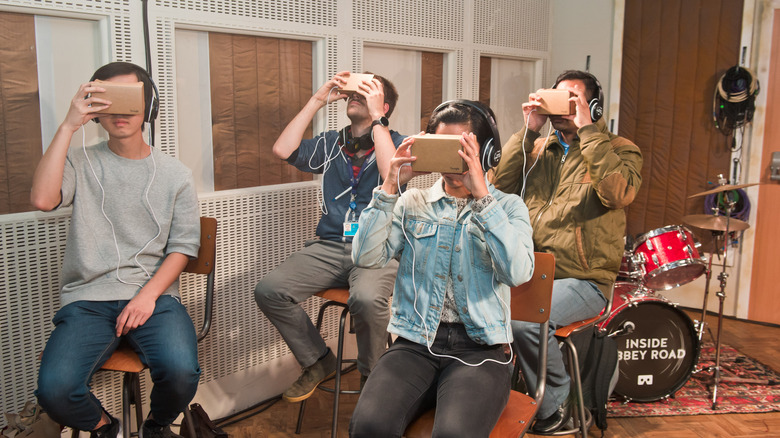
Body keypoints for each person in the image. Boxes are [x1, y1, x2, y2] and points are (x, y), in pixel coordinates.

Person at [31, 62, 202, 438]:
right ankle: (108, 429)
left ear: (149, 105)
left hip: (153, 298)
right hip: (88, 300)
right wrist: (67, 126)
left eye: (130, 100)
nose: (121, 112)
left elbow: (184, 246)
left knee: (181, 373)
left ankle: (155, 426)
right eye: (109, 101)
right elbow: (43, 200)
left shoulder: (175, 175)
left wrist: (146, 298)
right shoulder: (79, 160)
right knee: (55, 391)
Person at [349, 100, 535, 438]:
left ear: (486, 153)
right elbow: (366, 257)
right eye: (443, 148)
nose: (452, 162)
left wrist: (481, 196)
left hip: (481, 349)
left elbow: (518, 273)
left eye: (461, 149)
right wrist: (390, 185)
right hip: (415, 343)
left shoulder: (508, 207)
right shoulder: (412, 203)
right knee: (369, 427)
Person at [491, 70, 643, 434]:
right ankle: (491, 398)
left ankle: (556, 402)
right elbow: (500, 187)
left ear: (591, 105)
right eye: (557, 97)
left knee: (525, 321)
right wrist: (528, 130)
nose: (563, 106)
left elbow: (617, 194)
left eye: (572, 98)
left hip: (585, 278)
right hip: (529, 270)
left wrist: (588, 131)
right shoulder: (541, 148)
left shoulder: (621, 149)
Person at [254, 71, 404, 402]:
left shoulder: (401, 144)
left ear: (384, 105)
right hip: (331, 245)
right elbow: (282, 149)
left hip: (378, 250)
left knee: (365, 299)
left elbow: (388, 171)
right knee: (270, 290)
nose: (355, 96)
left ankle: (371, 376)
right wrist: (317, 100)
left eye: (367, 93)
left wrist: (379, 120)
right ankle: (319, 360)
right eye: (354, 92)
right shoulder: (330, 143)